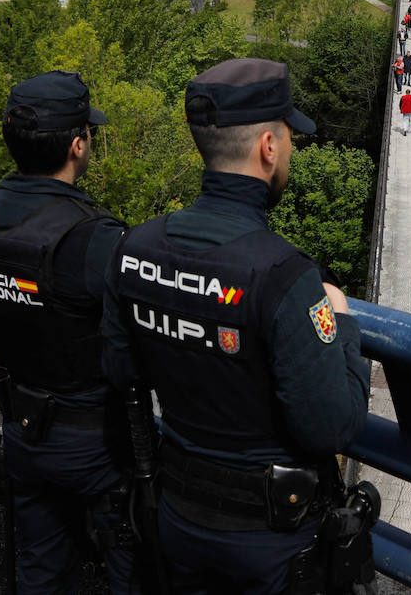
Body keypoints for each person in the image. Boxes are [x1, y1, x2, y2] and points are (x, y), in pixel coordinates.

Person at [102, 58, 372, 594]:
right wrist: (341, 324)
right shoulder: (284, 276)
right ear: (268, 147)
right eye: (290, 137)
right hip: (271, 540)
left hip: (177, 513)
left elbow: (119, 374)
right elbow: (331, 428)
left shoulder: (133, 250)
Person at [0, 71, 140, 592]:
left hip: (21, 423)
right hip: (94, 440)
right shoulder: (90, 237)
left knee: (40, 567)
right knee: (131, 563)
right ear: (78, 144)